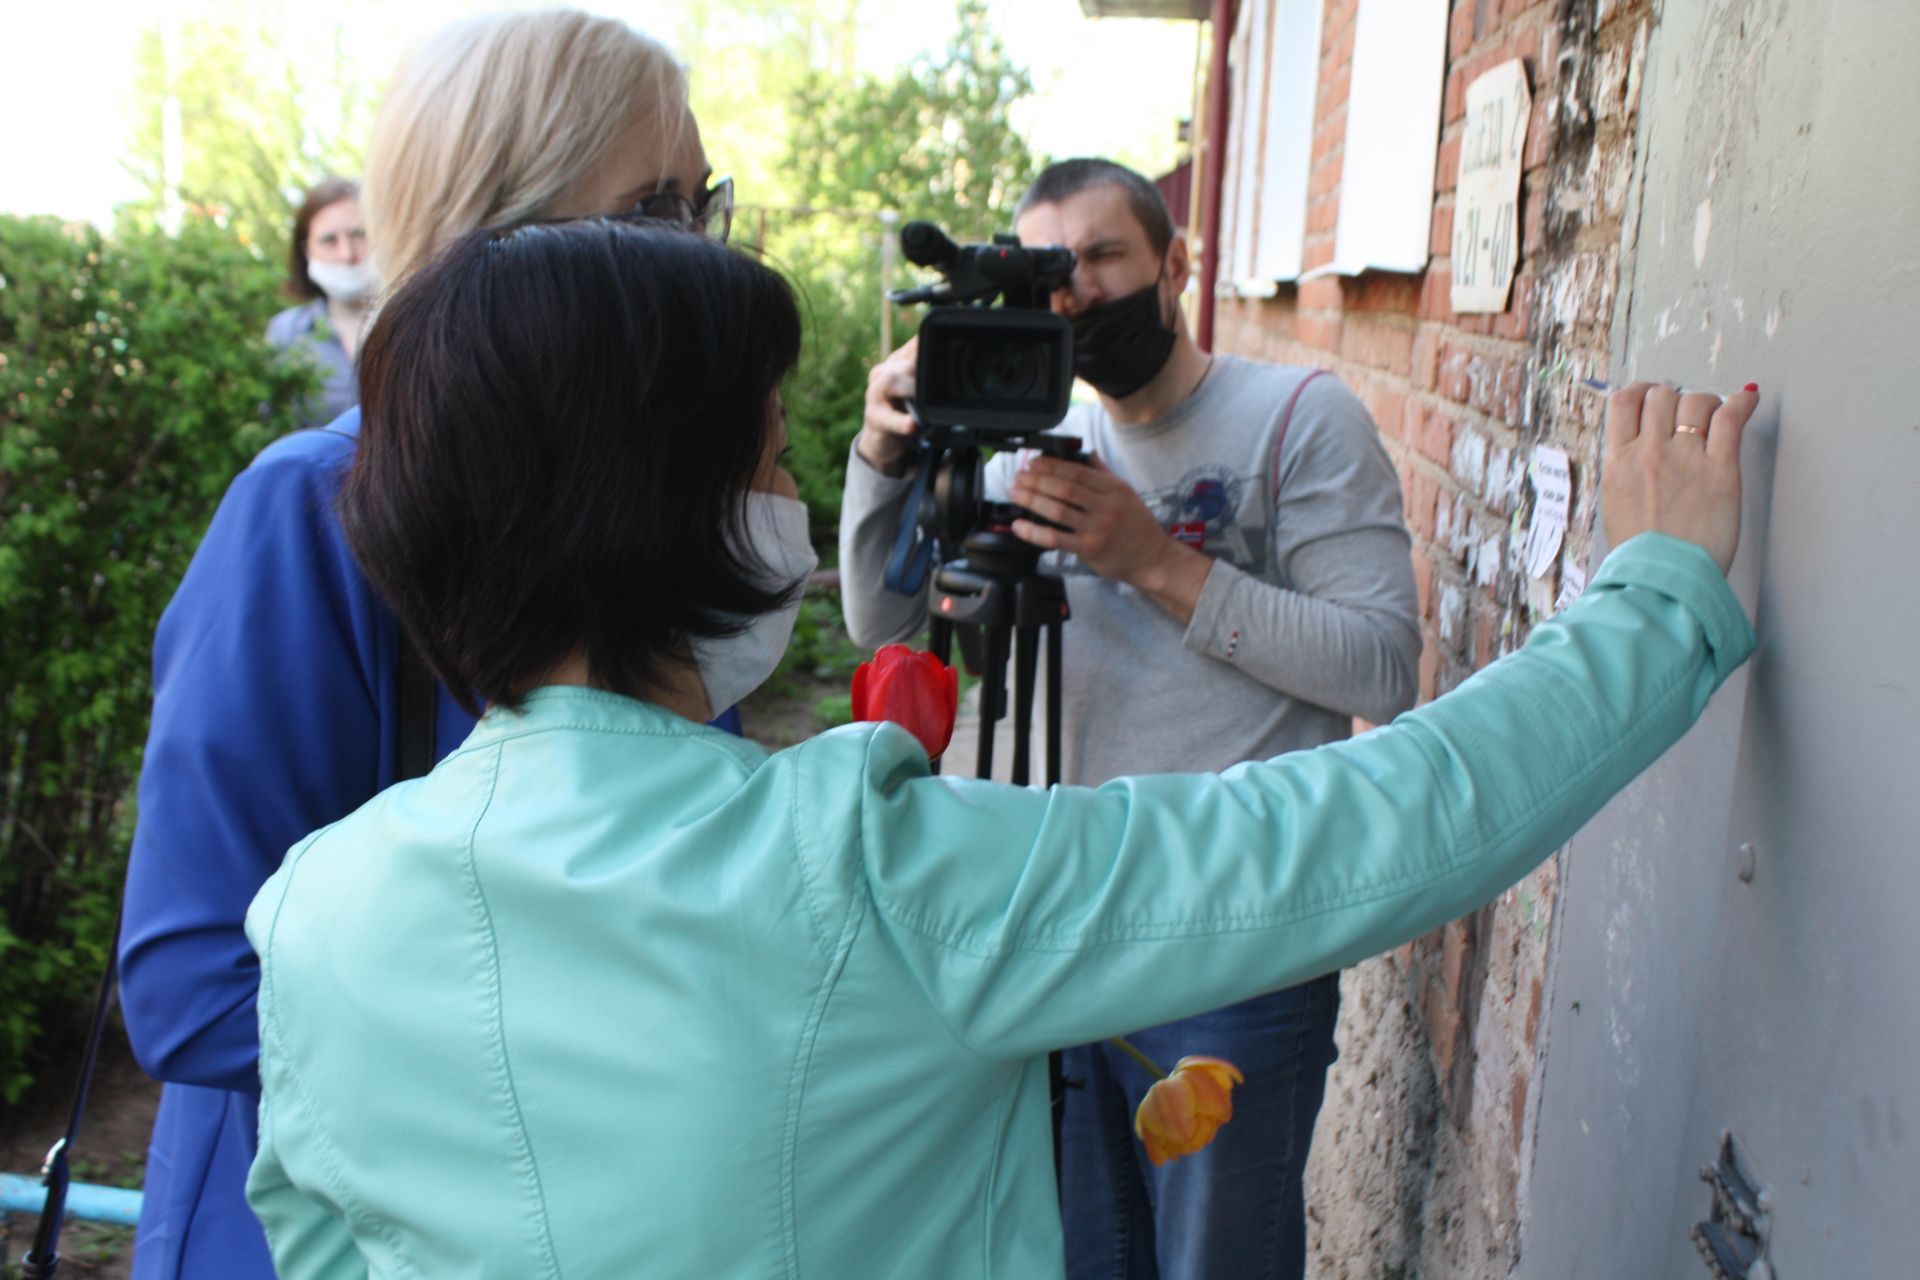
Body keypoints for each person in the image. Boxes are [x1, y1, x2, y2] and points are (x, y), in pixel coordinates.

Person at [242, 214, 1759, 1279]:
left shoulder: (318, 909)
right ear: (677, 513)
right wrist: (1656, 594)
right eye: (774, 456)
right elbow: (1371, 825)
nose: (785, 489)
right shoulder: (862, 869)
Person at [116, 12, 737, 1278]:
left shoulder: (662, 524)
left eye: (704, 201)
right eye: (658, 204)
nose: (705, 253)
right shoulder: (315, 509)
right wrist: (597, 1033)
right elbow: (193, 981)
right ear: (501, 233)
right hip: (323, 1236)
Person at [838, 157, 1419, 1277]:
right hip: (1065, 921)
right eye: (1051, 270)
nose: (1078, 293)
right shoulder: (1025, 445)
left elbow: (1382, 663)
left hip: (1236, 934)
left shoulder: (1298, 417)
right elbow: (881, 613)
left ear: (1176, 261)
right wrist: (883, 452)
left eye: (1103, 256)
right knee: (1083, 1252)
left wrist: (1154, 562)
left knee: (1214, 1258)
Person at [267, 177, 373, 429]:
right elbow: (271, 426)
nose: (346, 254)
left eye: (358, 235)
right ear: (306, 250)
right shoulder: (286, 333)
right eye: (329, 240)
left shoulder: (411, 321)